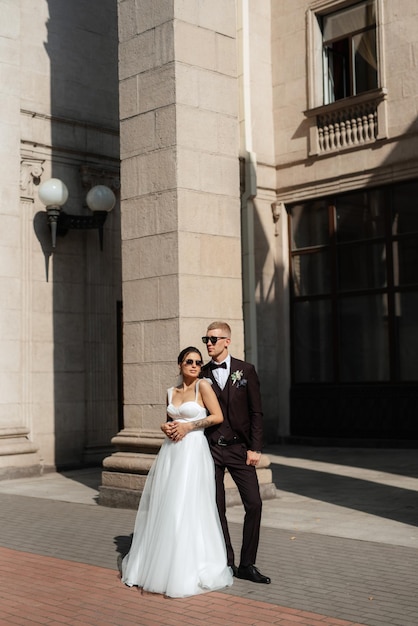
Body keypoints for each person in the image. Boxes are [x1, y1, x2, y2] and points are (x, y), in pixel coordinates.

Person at [121, 347, 233, 598]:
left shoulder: (203, 386)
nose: (194, 365)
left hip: (193, 451)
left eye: (197, 362)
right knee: (168, 504)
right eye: (189, 362)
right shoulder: (171, 392)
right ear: (180, 365)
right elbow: (169, 419)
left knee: (189, 504)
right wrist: (165, 425)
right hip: (172, 453)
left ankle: (189, 567)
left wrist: (189, 427)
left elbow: (217, 417)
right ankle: (162, 565)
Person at [201, 321, 271, 584]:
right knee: (216, 508)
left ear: (227, 342)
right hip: (210, 451)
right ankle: (227, 562)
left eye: (213, 339)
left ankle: (247, 564)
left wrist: (256, 448)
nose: (208, 343)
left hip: (240, 450)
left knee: (254, 503)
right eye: (206, 339)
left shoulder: (246, 370)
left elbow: (256, 413)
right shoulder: (202, 373)